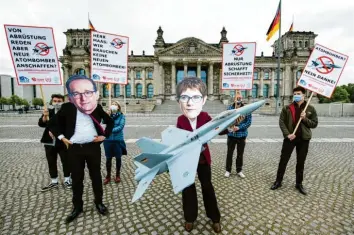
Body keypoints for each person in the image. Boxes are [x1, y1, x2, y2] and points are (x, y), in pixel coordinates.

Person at [48, 75, 114, 223]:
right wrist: (61, 138)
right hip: (74, 149)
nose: (82, 97)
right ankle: (77, 207)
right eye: (77, 93)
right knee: (77, 179)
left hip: (92, 148)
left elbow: (110, 122)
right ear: (72, 95)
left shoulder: (95, 106)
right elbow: (52, 124)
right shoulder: (67, 107)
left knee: (96, 177)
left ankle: (99, 202)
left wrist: (105, 136)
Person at [176, 77, 221, 233]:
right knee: (188, 188)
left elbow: (218, 127)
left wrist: (232, 126)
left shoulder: (205, 116)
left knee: (207, 187)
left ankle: (215, 218)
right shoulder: (181, 119)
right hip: (187, 160)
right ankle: (190, 218)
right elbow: (178, 139)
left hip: (202, 159)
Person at [271, 86, 318, 195]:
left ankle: (299, 184)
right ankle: (278, 181)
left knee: (300, 162)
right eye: (295, 94)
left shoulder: (310, 108)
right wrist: (287, 134)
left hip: (304, 139)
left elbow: (314, 124)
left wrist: (305, 118)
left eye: (298, 94)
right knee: (283, 160)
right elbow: (281, 122)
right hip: (290, 139)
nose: (296, 96)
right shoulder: (287, 108)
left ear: (303, 95)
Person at [38, 94, 71, 191]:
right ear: (52, 102)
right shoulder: (49, 112)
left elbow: (69, 126)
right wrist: (44, 116)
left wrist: (56, 132)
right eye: (55, 101)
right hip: (49, 142)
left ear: (63, 102)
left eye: (59, 101)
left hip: (62, 142)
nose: (57, 103)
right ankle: (54, 181)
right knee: (51, 162)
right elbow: (41, 123)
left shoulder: (66, 113)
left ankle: (67, 179)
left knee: (66, 161)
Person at [225, 92, 252, 178]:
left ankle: (239, 170)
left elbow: (248, 122)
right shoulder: (229, 108)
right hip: (231, 135)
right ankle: (228, 170)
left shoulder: (246, 109)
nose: (239, 99)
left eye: (240, 97)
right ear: (234, 98)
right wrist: (231, 126)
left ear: (242, 98)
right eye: (237, 97)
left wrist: (239, 127)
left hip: (242, 135)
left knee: (240, 154)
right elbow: (226, 120)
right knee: (229, 153)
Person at [103, 101, 127, 184]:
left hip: (117, 140)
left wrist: (109, 130)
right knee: (108, 158)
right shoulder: (108, 115)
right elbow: (103, 122)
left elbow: (120, 127)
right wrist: (107, 115)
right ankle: (108, 176)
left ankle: (117, 175)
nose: (114, 105)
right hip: (108, 140)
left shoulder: (122, 116)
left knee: (118, 158)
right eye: (113, 104)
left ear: (118, 107)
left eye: (116, 104)